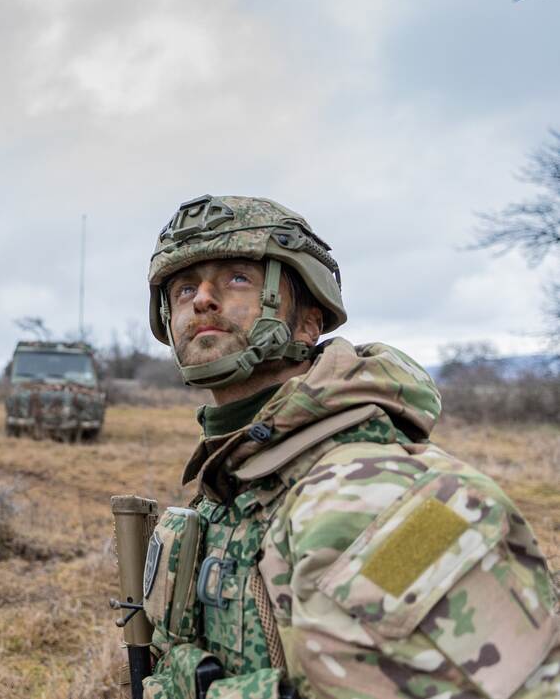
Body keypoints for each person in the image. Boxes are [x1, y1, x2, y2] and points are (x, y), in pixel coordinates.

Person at [134, 194, 559, 699]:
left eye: (238, 279)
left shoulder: (379, 493)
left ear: (308, 323)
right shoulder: (240, 474)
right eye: (184, 288)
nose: (202, 300)